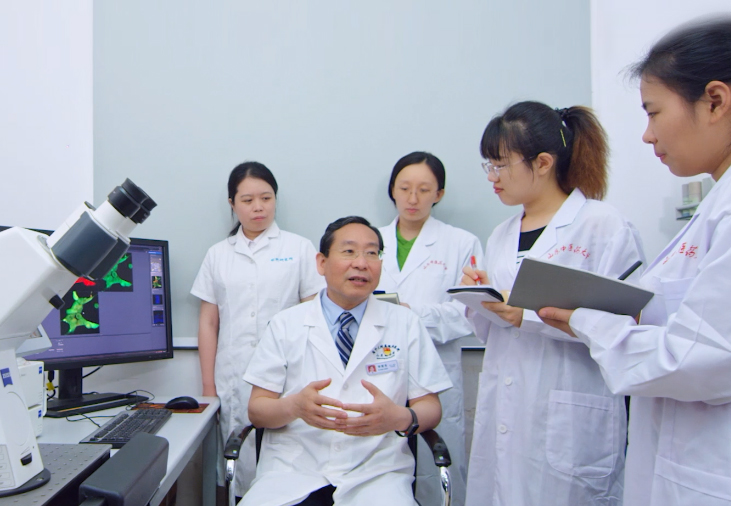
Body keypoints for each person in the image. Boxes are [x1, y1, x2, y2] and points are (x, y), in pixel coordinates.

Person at [538, 17, 731, 506]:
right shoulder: (715, 205)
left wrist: (590, 322)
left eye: (654, 112)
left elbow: (706, 359)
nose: (647, 135)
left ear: (715, 101)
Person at [461, 101, 646, 505]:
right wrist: (480, 297)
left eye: (500, 165)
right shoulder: (501, 235)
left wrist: (526, 315)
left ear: (543, 163)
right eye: (488, 165)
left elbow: (629, 325)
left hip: (571, 411)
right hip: (507, 402)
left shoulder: (602, 224)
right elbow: (494, 331)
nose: (492, 177)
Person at [241, 216, 452, 506]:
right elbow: (257, 410)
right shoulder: (285, 324)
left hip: (378, 475)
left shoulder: (405, 323)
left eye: (372, 253)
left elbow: (430, 407)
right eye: (349, 251)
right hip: (292, 470)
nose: (362, 263)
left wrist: (399, 417)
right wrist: (294, 406)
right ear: (322, 263)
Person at [190, 161, 324, 498]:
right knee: (239, 464)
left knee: (289, 471)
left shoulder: (299, 248)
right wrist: (208, 386)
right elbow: (208, 322)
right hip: (234, 374)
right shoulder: (218, 255)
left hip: (289, 375)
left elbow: (315, 316)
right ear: (232, 204)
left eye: (266, 198)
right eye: (247, 200)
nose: (258, 207)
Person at [376, 151, 483, 506]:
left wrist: (411, 315)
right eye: (404, 188)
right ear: (392, 190)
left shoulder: (461, 243)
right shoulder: (371, 240)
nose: (413, 198)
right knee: (382, 473)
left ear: (439, 194)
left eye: (424, 190)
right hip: (379, 366)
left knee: (437, 470)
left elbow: (469, 312)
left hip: (435, 367)